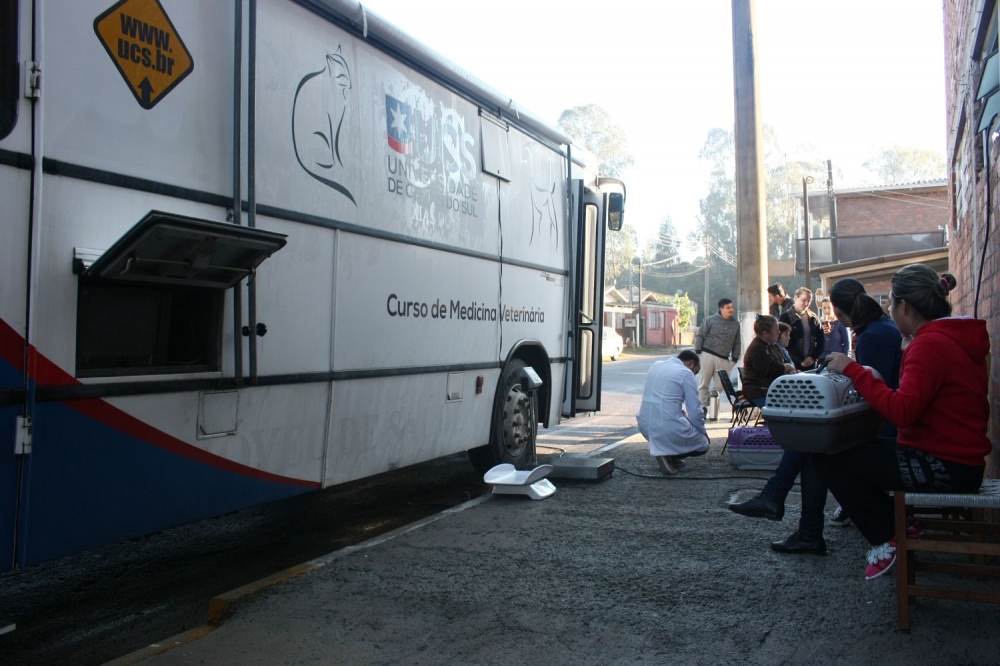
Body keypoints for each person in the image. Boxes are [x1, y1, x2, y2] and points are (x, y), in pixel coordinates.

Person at [819, 265, 989, 580]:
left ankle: (889, 535)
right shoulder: (947, 337)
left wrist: (853, 371)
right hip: (962, 462)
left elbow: (901, 412)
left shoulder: (929, 345)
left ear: (905, 306)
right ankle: (898, 525)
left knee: (828, 458)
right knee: (851, 451)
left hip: (945, 465)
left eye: (891, 304)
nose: (890, 312)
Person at [728, 279, 902, 555]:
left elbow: (873, 393)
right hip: (887, 421)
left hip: (887, 427)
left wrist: (846, 371)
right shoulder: (879, 331)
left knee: (816, 443)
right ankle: (796, 518)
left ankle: (783, 504)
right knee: (815, 439)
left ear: (841, 312)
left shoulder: (875, 336)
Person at [636, 350, 711, 475]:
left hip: (645, 426)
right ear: (691, 364)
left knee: (677, 417)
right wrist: (703, 431)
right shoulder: (686, 373)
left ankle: (667, 453)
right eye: (696, 372)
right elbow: (695, 411)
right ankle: (665, 453)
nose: (694, 375)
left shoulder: (656, 365)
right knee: (704, 444)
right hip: (666, 428)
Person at [694, 298, 741, 413]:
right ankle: (703, 408)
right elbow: (700, 335)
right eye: (728, 308)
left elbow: (737, 342)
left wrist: (734, 359)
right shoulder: (710, 320)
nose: (731, 310)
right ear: (721, 308)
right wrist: (698, 351)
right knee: (703, 383)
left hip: (724, 358)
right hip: (707, 354)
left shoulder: (735, 324)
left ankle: (711, 402)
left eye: (732, 307)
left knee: (720, 386)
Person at [740, 315, 796, 407]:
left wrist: (789, 369)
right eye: (776, 330)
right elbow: (771, 369)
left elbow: (783, 362)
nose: (778, 332)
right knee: (790, 405)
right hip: (760, 391)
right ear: (766, 333)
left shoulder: (771, 346)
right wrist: (787, 367)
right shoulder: (757, 348)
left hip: (771, 389)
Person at [779, 288, 824, 370]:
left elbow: (821, 340)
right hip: (792, 362)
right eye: (804, 300)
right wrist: (801, 359)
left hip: (811, 363)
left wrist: (812, 357)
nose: (806, 303)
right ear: (796, 297)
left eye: (809, 301)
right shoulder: (786, 317)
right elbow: (785, 342)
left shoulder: (813, 317)